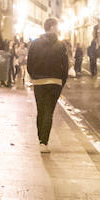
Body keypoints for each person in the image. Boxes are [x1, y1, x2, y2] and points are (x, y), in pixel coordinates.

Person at [27, 18, 70, 153]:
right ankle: (44, 142)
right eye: (57, 26)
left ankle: (41, 140)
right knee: (49, 112)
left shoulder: (34, 44)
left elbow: (29, 64)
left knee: (41, 111)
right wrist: (61, 81)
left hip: (39, 82)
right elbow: (65, 66)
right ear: (51, 27)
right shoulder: (61, 45)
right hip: (55, 82)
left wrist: (34, 76)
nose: (58, 29)